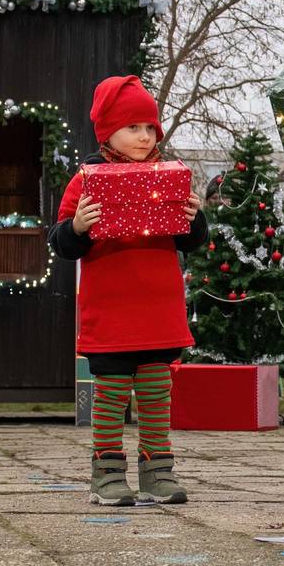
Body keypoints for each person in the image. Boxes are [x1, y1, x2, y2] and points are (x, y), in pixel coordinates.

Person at [52, 76, 208, 504]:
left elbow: (191, 242)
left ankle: (158, 471)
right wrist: (79, 228)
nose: (144, 136)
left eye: (149, 128)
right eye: (133, 127)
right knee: (113, 392)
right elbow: (61, 241)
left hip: (158, 309)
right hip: (113, 310)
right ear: (108, 133)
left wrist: (195, 218)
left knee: (157, 391)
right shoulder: (86, 179)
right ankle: (106, 472)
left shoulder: (170, 176)